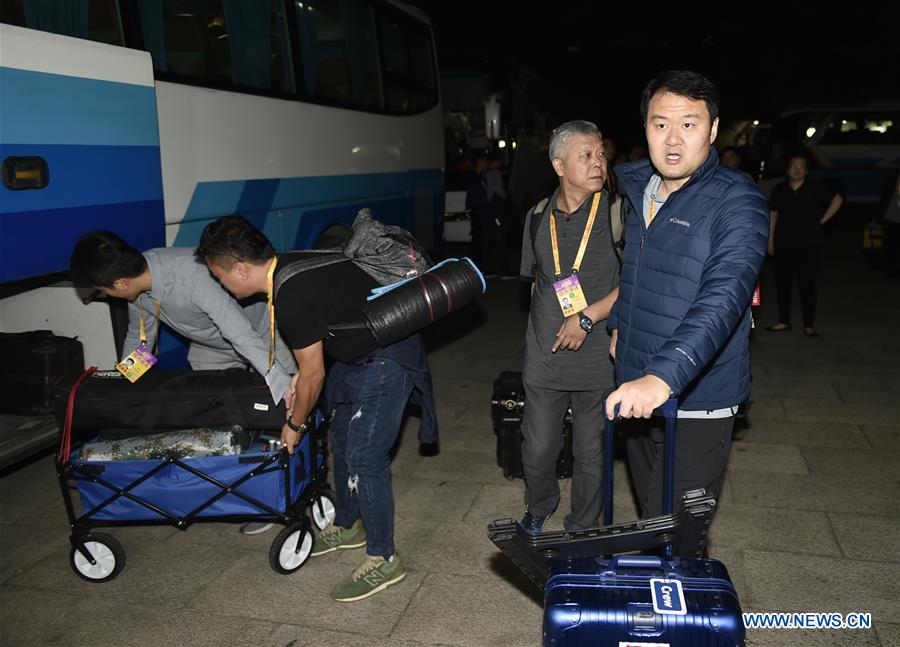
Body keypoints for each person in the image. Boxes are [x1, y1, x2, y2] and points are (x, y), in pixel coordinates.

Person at [195, 216, 437, 602]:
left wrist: (294, 422)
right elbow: (325, 326)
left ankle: (385, 559)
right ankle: (348, 524)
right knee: (341, 441)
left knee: (365, 457)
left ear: (240, 268)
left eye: (219, 275)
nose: (220, 284)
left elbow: (313, 373)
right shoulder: (289, 265)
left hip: (387, 358)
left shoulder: (291, 293)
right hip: (356, 356)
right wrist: (299, 381)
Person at [604, 71, 769, 523]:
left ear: (713, 130)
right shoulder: (639, 190)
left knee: (674, 532)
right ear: (645, 129)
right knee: (651, 517)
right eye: (660, 125)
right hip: (635, 386)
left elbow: (724, 296)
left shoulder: (738, 202)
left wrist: (662, 377)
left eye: (689, 125)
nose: (673, 140)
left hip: (697, 395)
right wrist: (619, 324)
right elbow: (639, 274)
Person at [70, 232, 297, 535]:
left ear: (120, 283)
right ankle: (240, 490)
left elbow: (240, 334)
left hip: (261, 335)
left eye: (103, 291)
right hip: (211, 346)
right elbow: (140, 340)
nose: (106, 295)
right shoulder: (138, 288)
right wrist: (122, 388)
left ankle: (276, 500)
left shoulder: (191, 277)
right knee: (214, 418)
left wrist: (285, 389)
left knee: (276, 412)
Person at [518, 120, 620, 533]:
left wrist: (586, 317)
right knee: (538, 447)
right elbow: (537, 284)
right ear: (560, 165)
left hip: (598, 355)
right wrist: (540, 338)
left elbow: (635, 284)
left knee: (590, 451)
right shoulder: (537, 217)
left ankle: (583, 525)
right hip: (546, 354)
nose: (598, 163)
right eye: (586, 155)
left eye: (600, 154)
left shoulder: (619, 213)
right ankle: (539, 505)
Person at [765, 154, 844, 336]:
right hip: (783, 244)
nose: (797, 169)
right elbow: (773, 215)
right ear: (787, 170)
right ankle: (783, 321)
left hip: (809, 245)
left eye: (801, 166)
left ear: (806, 171)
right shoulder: (780, 189)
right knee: (783, 285)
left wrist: (821, 221)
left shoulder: (815, 188)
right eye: (794, 165)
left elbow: (837, 200)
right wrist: (770, 241)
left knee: (807, 286)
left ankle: (809, 325)